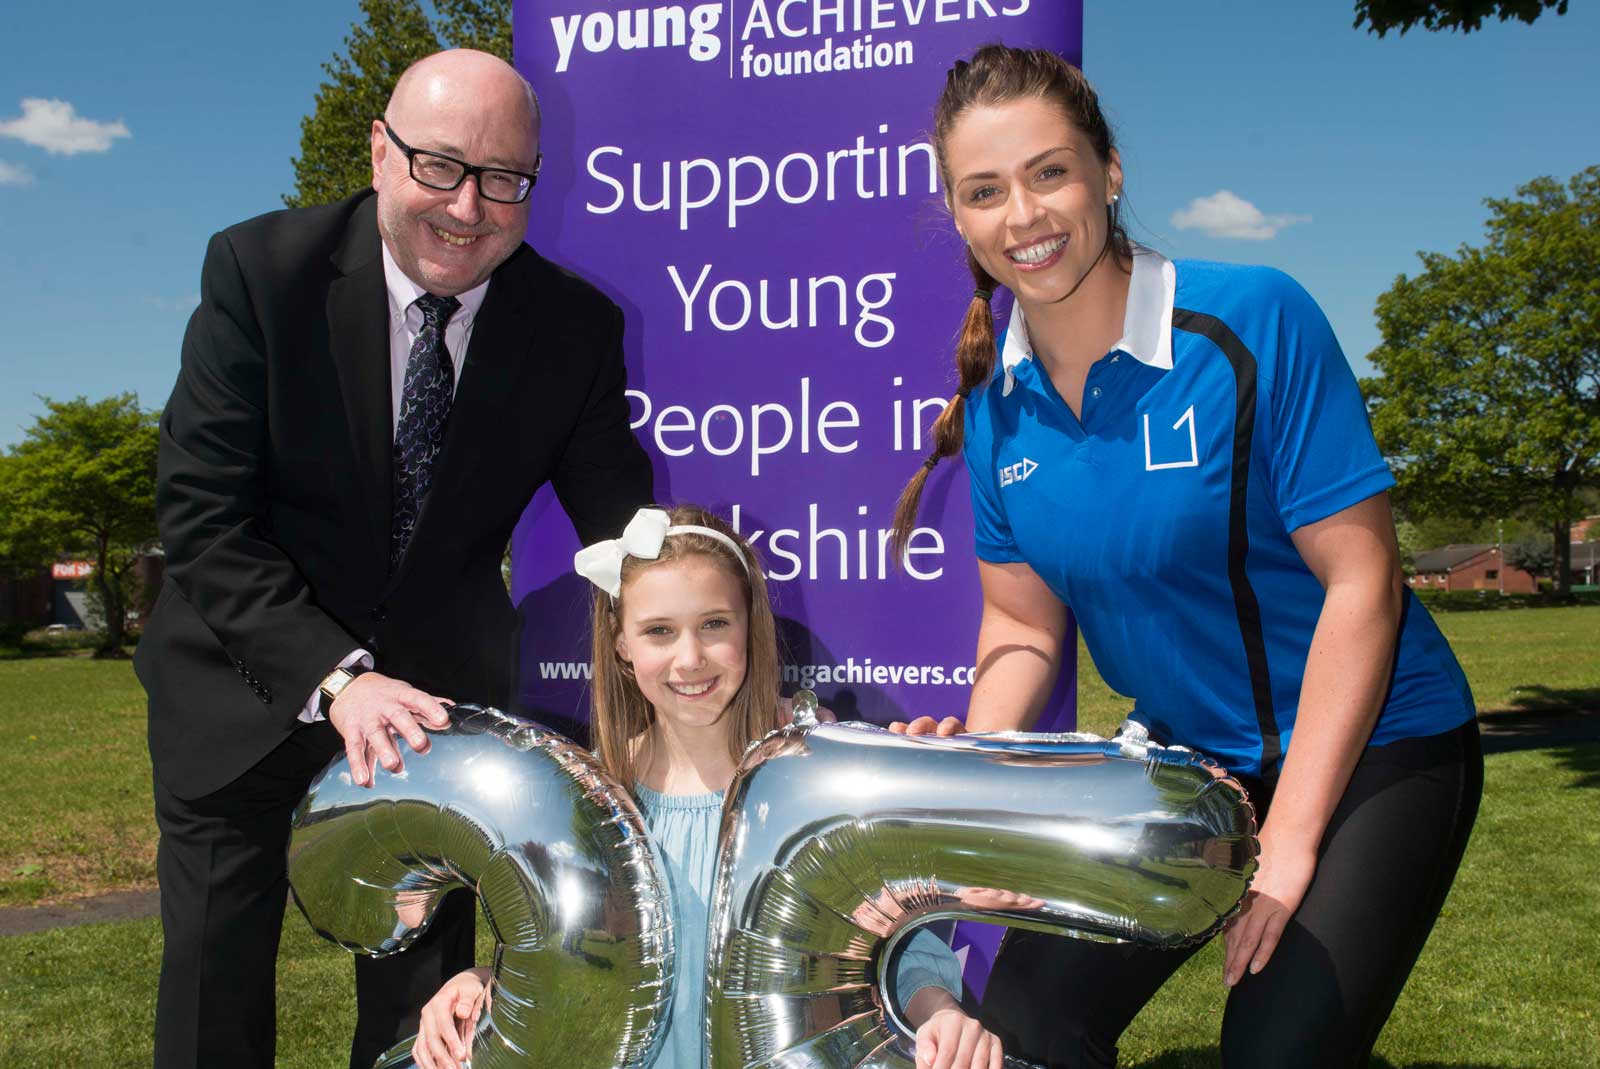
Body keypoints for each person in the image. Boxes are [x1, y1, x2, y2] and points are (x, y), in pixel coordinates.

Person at [888, 45, 1482, 1068]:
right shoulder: (994, 407)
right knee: (1026, 1028)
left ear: (1107, 172)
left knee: (1273, 1052)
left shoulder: (1250, 320)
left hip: (1381, 739)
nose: (1022, 216)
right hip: (1190, 761)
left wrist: (1289, 846)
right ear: (955, 214)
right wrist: (974, 787)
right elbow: (1024, 627)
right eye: (984, 191)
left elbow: (1363, 584)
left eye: (1049, 172)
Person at [135, 49, 653, 1069]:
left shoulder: (573, 328)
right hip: (241, 696)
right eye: (439, 167)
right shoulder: (259, 273)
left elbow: (622, 528)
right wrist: (337, 679)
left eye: (503, 178)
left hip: (431, 724)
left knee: (428, 1020)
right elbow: (202, 515)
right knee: (214, 992)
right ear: (379, 152)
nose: (468, 207)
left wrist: (709, 634)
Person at [410, 505, 1005, 1069]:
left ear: (750, 625)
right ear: (621, 644)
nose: (689, 658)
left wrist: (942, 1014)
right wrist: (479, 983)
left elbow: (897, 952)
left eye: (714, 624)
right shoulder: (589, 800)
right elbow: (561, 961)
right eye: (659, 631)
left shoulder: (817, 788)